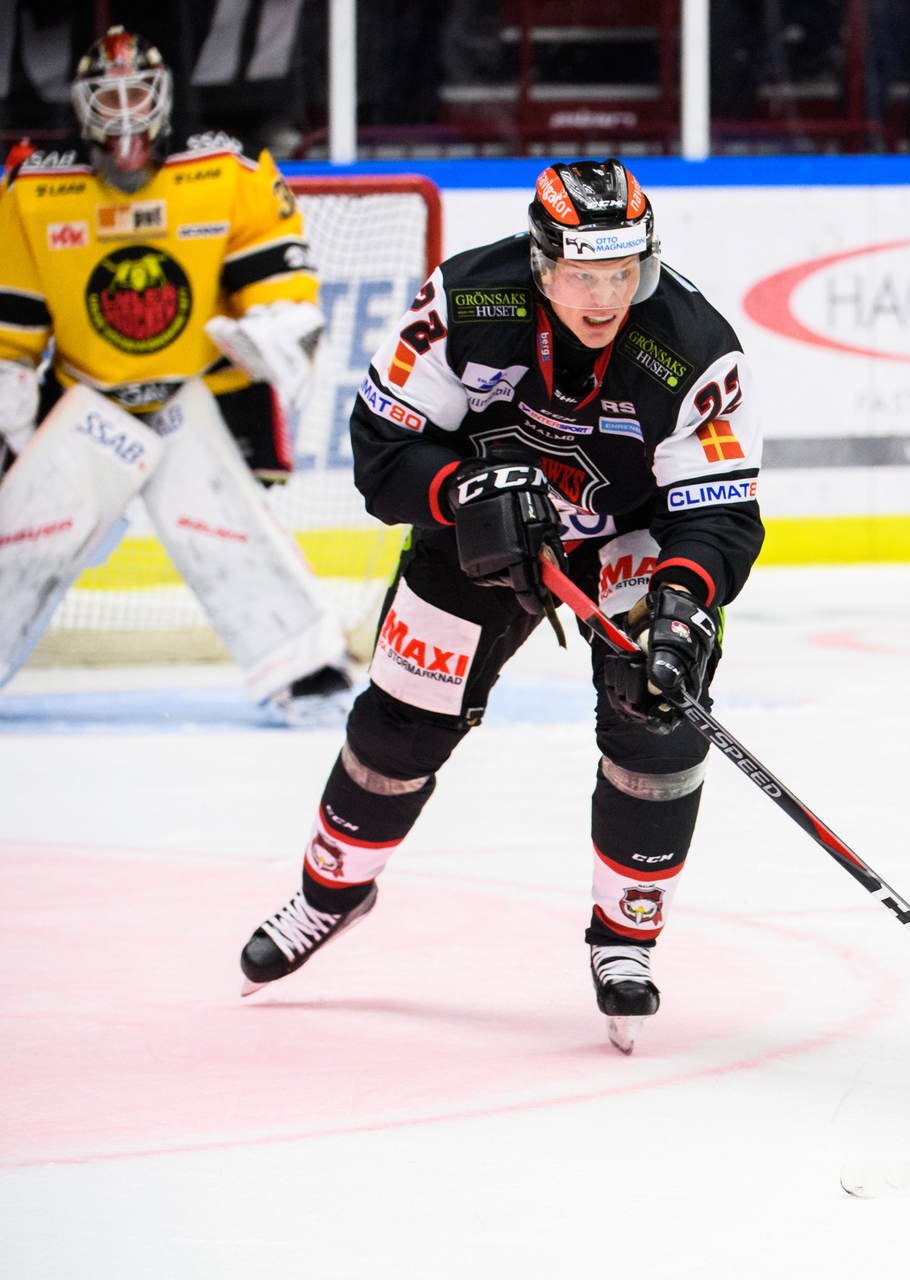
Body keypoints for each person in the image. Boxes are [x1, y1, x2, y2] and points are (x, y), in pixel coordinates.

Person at [234, 159, 765, 1054]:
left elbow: (717, 515)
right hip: (477, 524)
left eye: (623, 273)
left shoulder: (694, 345)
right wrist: (459, 492)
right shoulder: (465, 303)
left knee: (659, 716)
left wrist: (681, 609)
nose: (605, 297)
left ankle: (626, 944)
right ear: (541, 260)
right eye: (583, 274)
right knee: (402, 724)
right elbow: (381, 448)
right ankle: (332, 892)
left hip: (626, 537)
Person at [0, 25, 351, 721]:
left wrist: (270, 335)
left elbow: (286, 292)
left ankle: (307, 669)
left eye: (139, 93)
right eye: (109, 95)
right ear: (80, 104)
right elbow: (12, 331)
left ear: (166, 100)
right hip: (85, 402)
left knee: (219, 523)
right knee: (24, 536)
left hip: (194, 398)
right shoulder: (35, 186)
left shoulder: (227, 170)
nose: (125, 111)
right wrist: (12, 415)